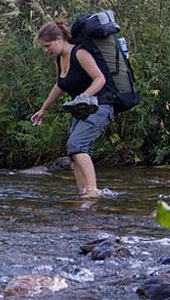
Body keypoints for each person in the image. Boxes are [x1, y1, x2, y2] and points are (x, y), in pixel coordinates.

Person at [30, 21, 112, 198]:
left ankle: (92, 191)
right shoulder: (60, 59)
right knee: (75, 152)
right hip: (82, 109)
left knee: (76, 145)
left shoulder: (80, 53)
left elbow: (100, 79)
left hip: (101, 105)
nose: (46, 50)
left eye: (48, 45)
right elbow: (60, 85)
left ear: (59, 39)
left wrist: (83, 96)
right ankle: (82, 193)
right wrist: (43, 109)